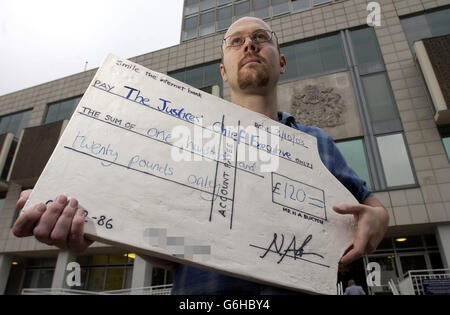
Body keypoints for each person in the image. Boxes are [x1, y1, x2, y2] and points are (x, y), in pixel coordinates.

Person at [12, 17, 389, 294]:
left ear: (282, 61)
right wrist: (90, 226)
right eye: (236, 41)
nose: (250, 45)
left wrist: (376, 221)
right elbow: (166, 246)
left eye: (261, 38)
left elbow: (373, 209)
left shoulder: (316, 142)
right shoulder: (188, 142)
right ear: (223, 71)